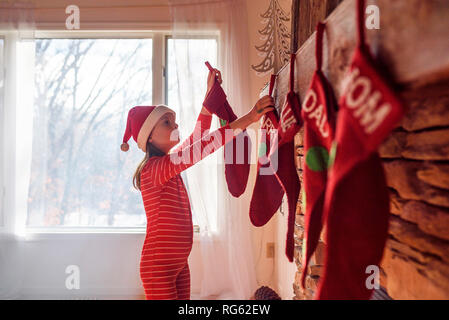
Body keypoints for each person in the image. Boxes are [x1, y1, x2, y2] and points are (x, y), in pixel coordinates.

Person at [120, 67, 274, 300]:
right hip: (158, 268)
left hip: (180, 263)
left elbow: (197, 138)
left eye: (174, 121)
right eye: (166, 123)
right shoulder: (154, 169)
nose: (175, 126)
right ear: (149, 136)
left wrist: (209, 95)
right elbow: (203, 146)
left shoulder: (168, 162)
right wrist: (249, 118)